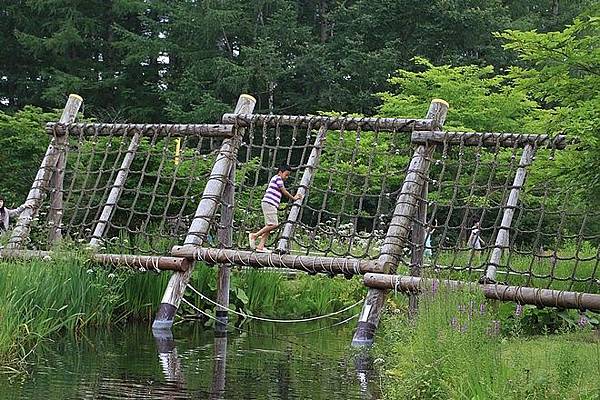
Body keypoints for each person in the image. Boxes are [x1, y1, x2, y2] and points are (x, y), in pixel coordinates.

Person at [248, 164, 302, 253]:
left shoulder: (276, 178)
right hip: (269, 203)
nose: (287, 177)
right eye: (286, 174)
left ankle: (261, 246)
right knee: (274, 224)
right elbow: (284, 191)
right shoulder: (278, 178)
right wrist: (294, 198)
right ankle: (254, 235)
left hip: (270, 204)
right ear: (280, 172)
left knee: (269, 226)